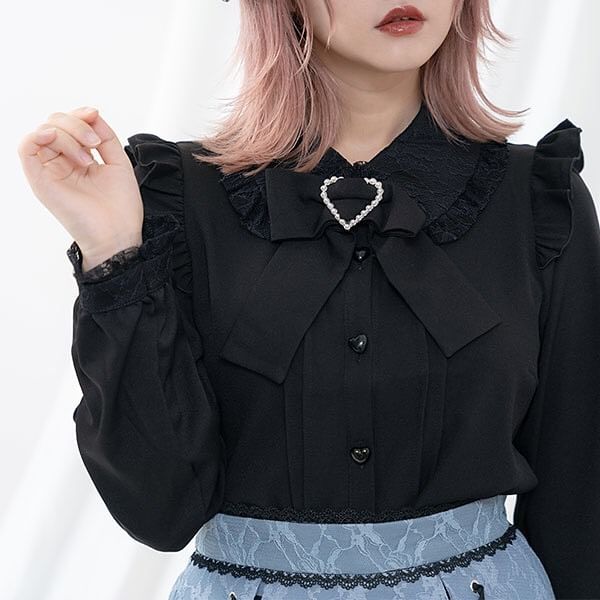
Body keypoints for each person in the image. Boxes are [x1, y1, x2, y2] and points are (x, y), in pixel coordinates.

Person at [17, 1, 600, 599]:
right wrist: (113, 249)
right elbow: (159, 511)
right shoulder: (175, 198)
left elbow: (579, 496)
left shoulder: (538, 201)